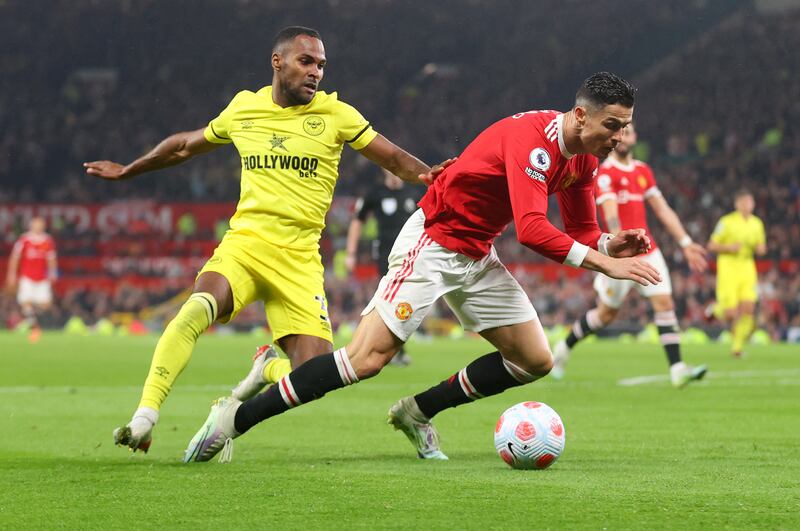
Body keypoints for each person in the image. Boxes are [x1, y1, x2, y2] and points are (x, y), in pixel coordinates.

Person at [182, 71, 662, 463]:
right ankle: (231, 420)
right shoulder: (532, 141)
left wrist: (610, 244)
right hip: (434, 240)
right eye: (613, 126)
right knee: (367, 359)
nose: (620, 138)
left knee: (535, 360)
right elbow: (533, 229)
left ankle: (416, 412)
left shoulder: (583, 159)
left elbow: (580, 229)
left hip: (476, 251)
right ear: (581, 115)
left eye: (624, 127)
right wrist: (604, 266)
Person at [84, 26, 443, 454]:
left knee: (314, 376)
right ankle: (145, 416)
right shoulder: (244, 109)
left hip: (300, 261)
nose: (316, 73)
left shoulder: (337, 115)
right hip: (246, 246)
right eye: (306, 62)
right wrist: (129, 170)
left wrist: (438, 178)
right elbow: (183, 146)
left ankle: (265, 370)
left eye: (321, 65)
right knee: (194, 311)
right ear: (278, 62)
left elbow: (396, 160)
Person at [550, 123, 709, 387]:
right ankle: (564, 347)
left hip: (648, 250)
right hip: (620, 254)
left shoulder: (643, 171)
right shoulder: (605, 172)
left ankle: (677, 368)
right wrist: (618, 245)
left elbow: (662, 209)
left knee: (664, 304)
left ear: (635, 138)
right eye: (620, 131)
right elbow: (610, 212)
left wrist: (685, 242)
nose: (624, 135)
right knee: (605, 315)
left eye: (630, 131)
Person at [345, 168, 425, 366]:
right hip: (385, 254)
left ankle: (392, 346)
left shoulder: (414, 194)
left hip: (411, 253)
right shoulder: (375, 193)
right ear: (384, 169)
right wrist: (351, 253)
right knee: (388, 298)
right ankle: (391, 348)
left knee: (407, 298)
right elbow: (357, 221)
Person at [707, 190, 766, 358]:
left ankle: (737, 348)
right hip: (728, 267)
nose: (748, 205)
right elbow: (711, 245)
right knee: (730, 314)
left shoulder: (757, 223)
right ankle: (715, 309)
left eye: (750, 202)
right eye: (744, 202)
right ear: (737, 204)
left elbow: (761, 245)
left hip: (747, 267)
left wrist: (761, 249)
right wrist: (728, 248)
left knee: (748, 307)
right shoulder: (726, 222)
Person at [5, 216, 57, 343]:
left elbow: (51, 259)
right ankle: (34, 328)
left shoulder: (47, 241)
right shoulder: (24, 239)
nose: (38, 227)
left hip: (42, 278)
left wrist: (53, 273)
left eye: (40, 224)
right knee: (25, 302)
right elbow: (15, 257)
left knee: (47, 305)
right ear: (31, 226)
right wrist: (11, 274)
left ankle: (31, 319)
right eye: (36, 224)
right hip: (27, 277)